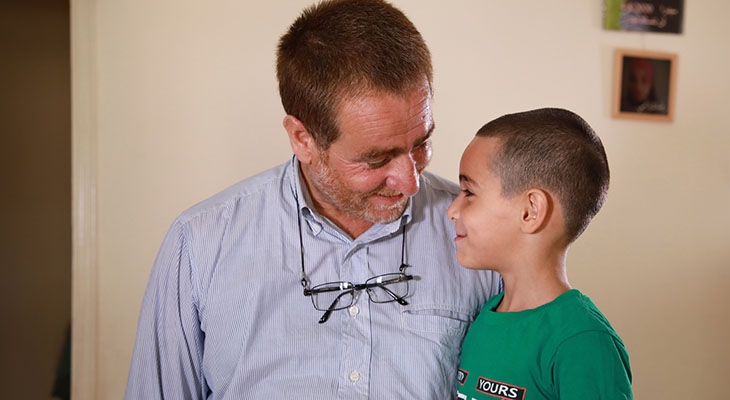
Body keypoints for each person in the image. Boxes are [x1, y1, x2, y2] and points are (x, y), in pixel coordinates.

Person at [124, 0, 502, 399]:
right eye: (376, 159)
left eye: (421, 143)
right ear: (302, 139)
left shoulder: (485, 231)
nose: (410, 182)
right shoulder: (199, 245)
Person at [448, 108, 633, 399]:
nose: (452, 210)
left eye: (469, 192)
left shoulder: (582, 342)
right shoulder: (486, 316)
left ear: (530, 211)